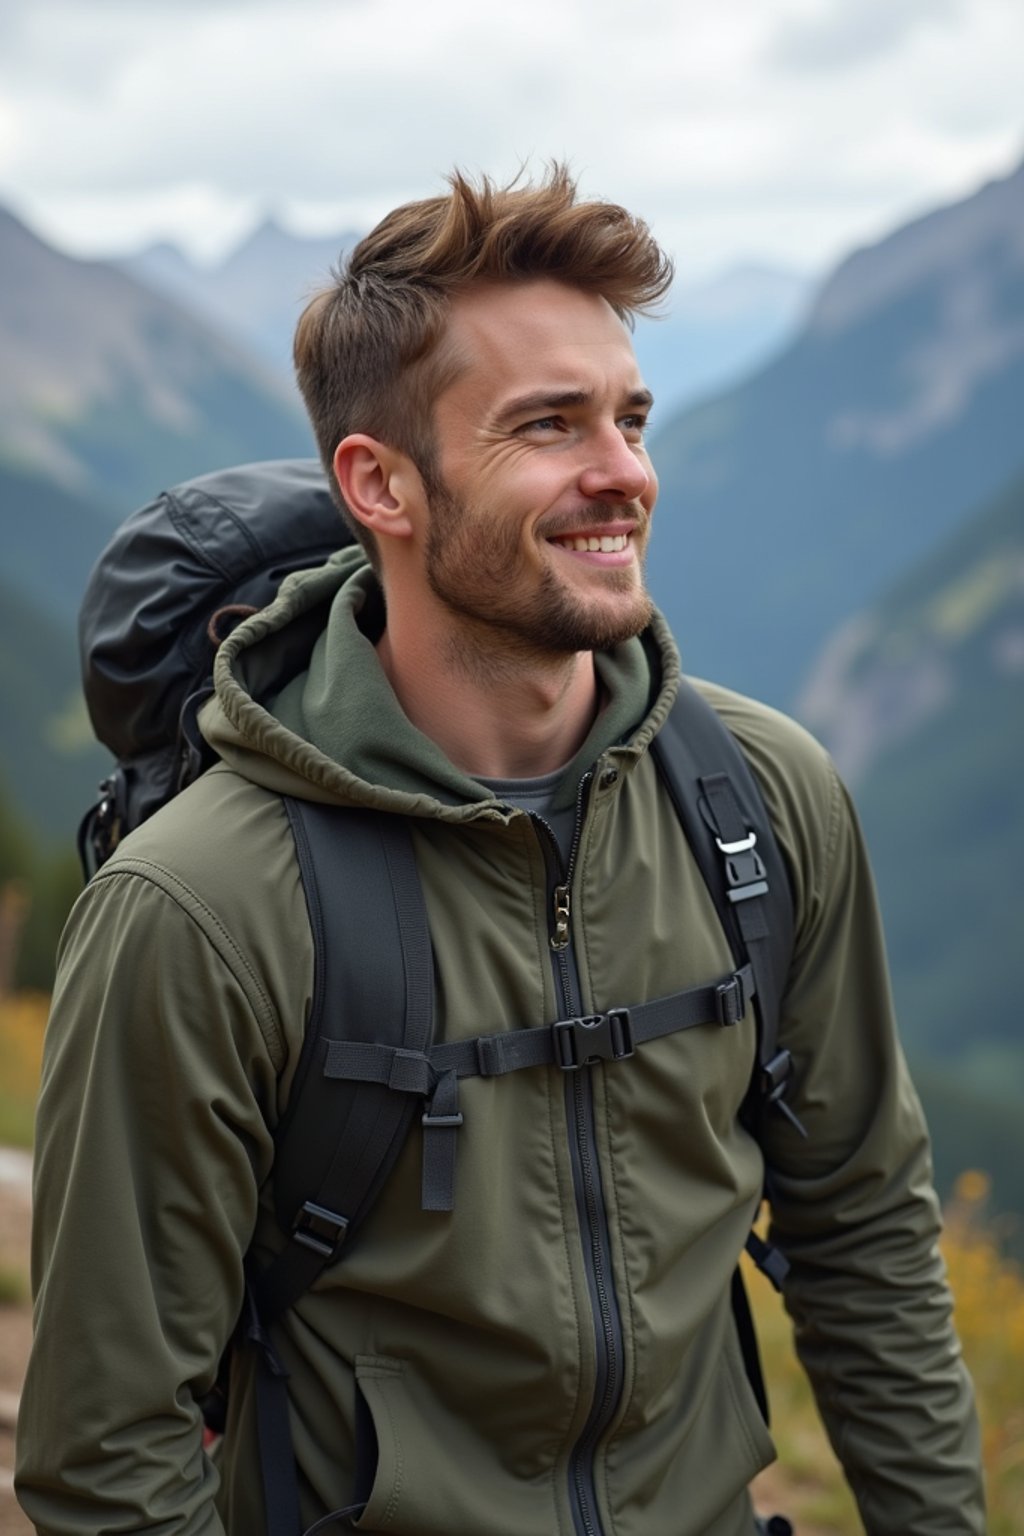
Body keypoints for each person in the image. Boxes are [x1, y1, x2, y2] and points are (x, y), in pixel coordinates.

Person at [17, 166, 984, 1536]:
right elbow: (108, 1460)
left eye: (630, 418)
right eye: (550, 426)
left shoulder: (761, 802)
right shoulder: (203, 906)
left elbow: (865, 1232)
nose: (626, 473)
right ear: (382, 486)